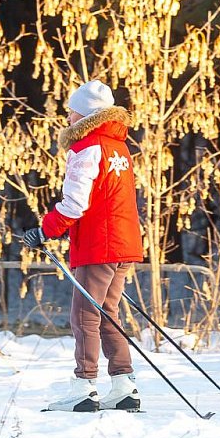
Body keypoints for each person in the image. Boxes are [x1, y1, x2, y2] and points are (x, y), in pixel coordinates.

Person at [23, 80, 144, 412]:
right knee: (108, 315)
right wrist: (68, 230)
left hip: (100, 246)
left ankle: (83, 386)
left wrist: (47, 229)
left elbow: (75, 202)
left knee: (84, 316)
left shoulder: (87, 146)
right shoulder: (119, 147)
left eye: (72, 111)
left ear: (86, 114)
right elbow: (104, 201)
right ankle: (123, 386)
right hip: (121, 241)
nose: (68, 116)